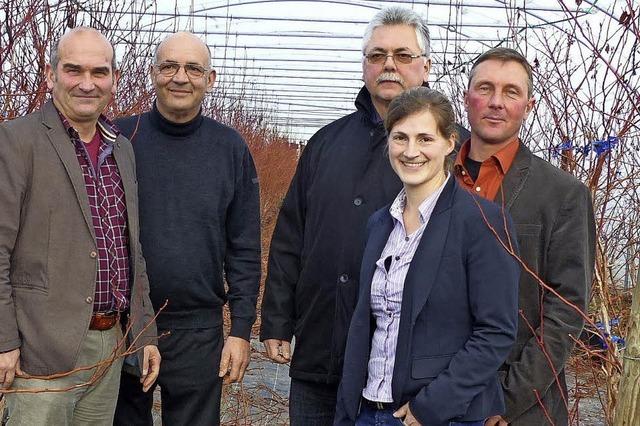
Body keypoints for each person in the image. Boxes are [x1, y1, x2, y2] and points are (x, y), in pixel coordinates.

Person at [260, 7, 469, 424]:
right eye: (377, 56)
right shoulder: (325, 143)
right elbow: (290, 237)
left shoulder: (450, 150)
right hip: (320, 353)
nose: (389, 65)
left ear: (426, 67)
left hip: (401, 371)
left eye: (403, 55)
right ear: (363, 67)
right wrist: (277, 320)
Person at [0, 27, 159, 424]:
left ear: (114, 80)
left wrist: (144, 332)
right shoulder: (16, 142)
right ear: (51, 75)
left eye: (99, 72)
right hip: (40, 350)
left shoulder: (121, 149)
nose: (87, 84)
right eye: (73, 70)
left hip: (109, 345)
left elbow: (129, 248)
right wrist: (3, 341)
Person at [334, 87, 520, 426]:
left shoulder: (481, 222)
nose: (410, 151)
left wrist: (430, 407)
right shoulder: (379, 225)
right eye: (400, 138)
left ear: (449, 143)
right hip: (369, 410)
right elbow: (368, 325)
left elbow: (496, 331)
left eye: (424, 139)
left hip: (436, 416)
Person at [113, 32, 261, 426]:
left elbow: (244, 246)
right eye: (168, 66)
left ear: (209, 80)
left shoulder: (230, 148)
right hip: (124, 325)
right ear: (152, 74)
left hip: (199, 329)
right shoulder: (119, 139)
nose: (180, 77)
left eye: (193, 68)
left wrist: (241, 328)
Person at [454, 48, 596, 425]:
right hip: (430, 393)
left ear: (528, 105)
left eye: (511, 92)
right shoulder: (432, 178)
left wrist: (506, 398)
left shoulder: (562, 194)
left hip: (515, 406)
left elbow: (567, 308)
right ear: (466, 97)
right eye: (485, 88)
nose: (496, 102)